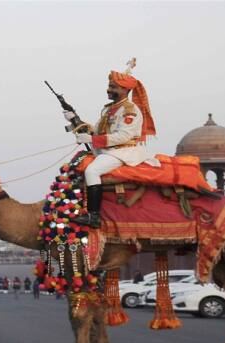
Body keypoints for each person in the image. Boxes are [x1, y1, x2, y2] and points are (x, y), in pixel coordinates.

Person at [65, 59, 159, 228]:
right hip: (108, 150)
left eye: (113, 87)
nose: (109, 90)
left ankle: (94, 216)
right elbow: (99, 131)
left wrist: (92, 140)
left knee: (92, 171)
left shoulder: (130, 111)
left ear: (125, 90)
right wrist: (75, 120)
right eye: (109, 86)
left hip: (123, 151)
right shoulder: (110, 109)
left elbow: (123, 136)